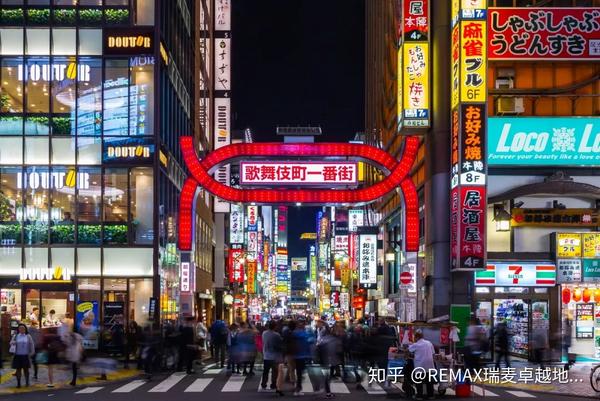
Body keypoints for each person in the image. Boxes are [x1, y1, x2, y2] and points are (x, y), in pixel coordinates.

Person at [408, 330, 435, 401]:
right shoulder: (429, 343)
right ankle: (431, 395)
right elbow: (433, 353)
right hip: (429, 365)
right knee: (429, 381)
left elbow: (409, 350)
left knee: (419, 381)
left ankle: (419, 396)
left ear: (416, 337)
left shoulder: (416, 344)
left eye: (414, 337)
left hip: (420, 365)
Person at [291, 319, 313, 396]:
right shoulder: (304, 334)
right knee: (300, 373)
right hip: (302, 355)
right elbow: (310, 341)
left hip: (296, 355)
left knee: (298, 372)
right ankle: (297, 388)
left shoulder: (294, 333)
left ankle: (297, 387)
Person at [10, 323, 35, 388]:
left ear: (25, 329)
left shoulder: (28, 336)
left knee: (26, 370)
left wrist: (32, 353)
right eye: (20, 328)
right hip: (17, 355)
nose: (21, 329)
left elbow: (31, 345)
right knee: (18, 370)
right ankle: (18, 384)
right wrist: (14, 342)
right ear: (18, 329)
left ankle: (27, 382)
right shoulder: (16, 336)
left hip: (25, 355)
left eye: (23, 328)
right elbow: (11, 343)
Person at [261, 320, 283, 393]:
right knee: (275, 371)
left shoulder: (264, 333)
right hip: (274, 356)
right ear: (275, 326)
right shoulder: (276, 335)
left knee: (265, 371)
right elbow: (280, 343)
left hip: (266, 355)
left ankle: (263, 384)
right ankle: (273, 384)